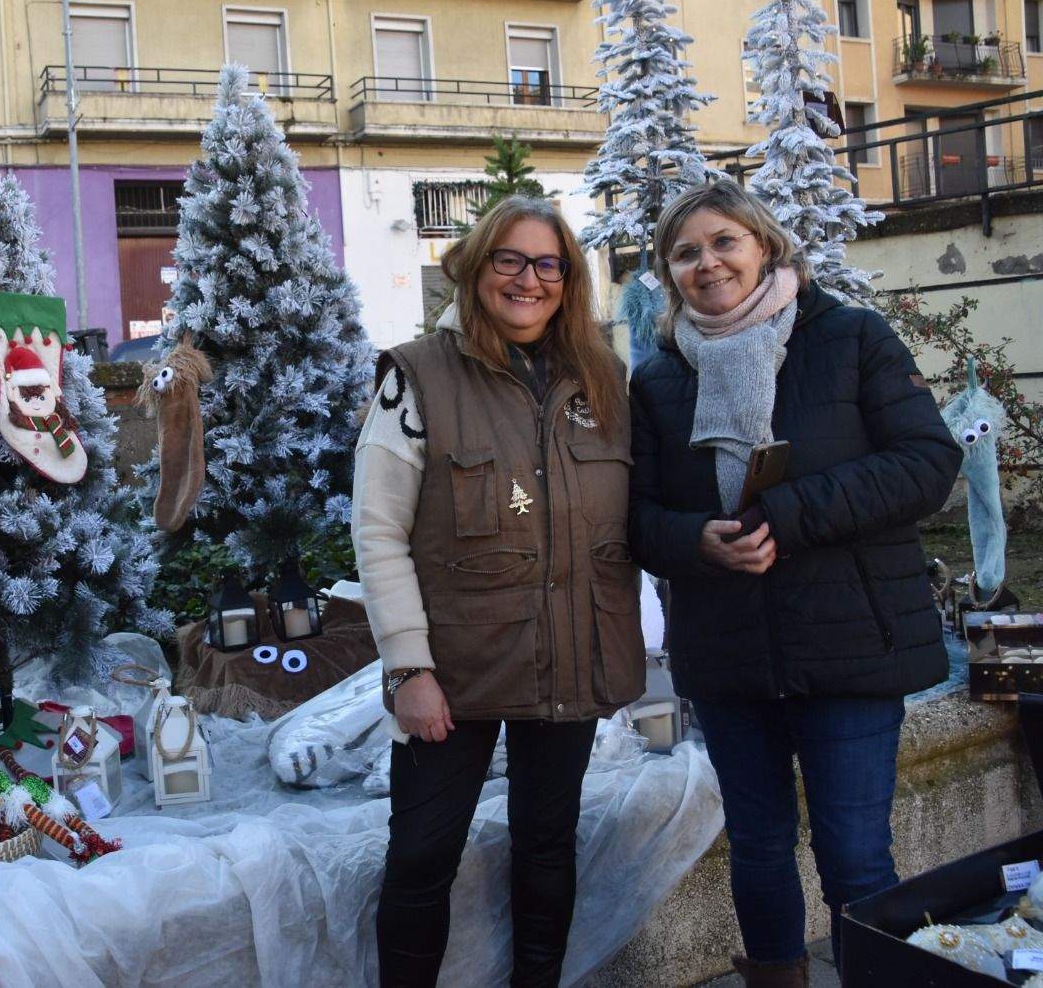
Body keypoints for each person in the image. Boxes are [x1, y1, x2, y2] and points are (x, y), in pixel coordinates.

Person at [628, 179, 960, 987]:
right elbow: (633, 517)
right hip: (728, 653)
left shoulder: (850, 337)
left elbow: (927, 463)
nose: (707, 263)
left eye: (724, 242)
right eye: (685, 253)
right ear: (668, 274)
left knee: (856, 854)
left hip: (850, 644)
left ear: (766, 245)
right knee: (759, 846)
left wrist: (788, 512)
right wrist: (695, 540)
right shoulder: (658, 379)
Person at [354, 196, 644, 988]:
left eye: (547, 263)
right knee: (422, 853)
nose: (527, 279)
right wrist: (407, 667)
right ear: (477, 267)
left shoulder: (604, 380)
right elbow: (377, 531)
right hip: (456, 668)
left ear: (569, 278)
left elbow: (640, 514)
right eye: (508, 259)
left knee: (547, 844)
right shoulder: (417, 377)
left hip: (570, 650)